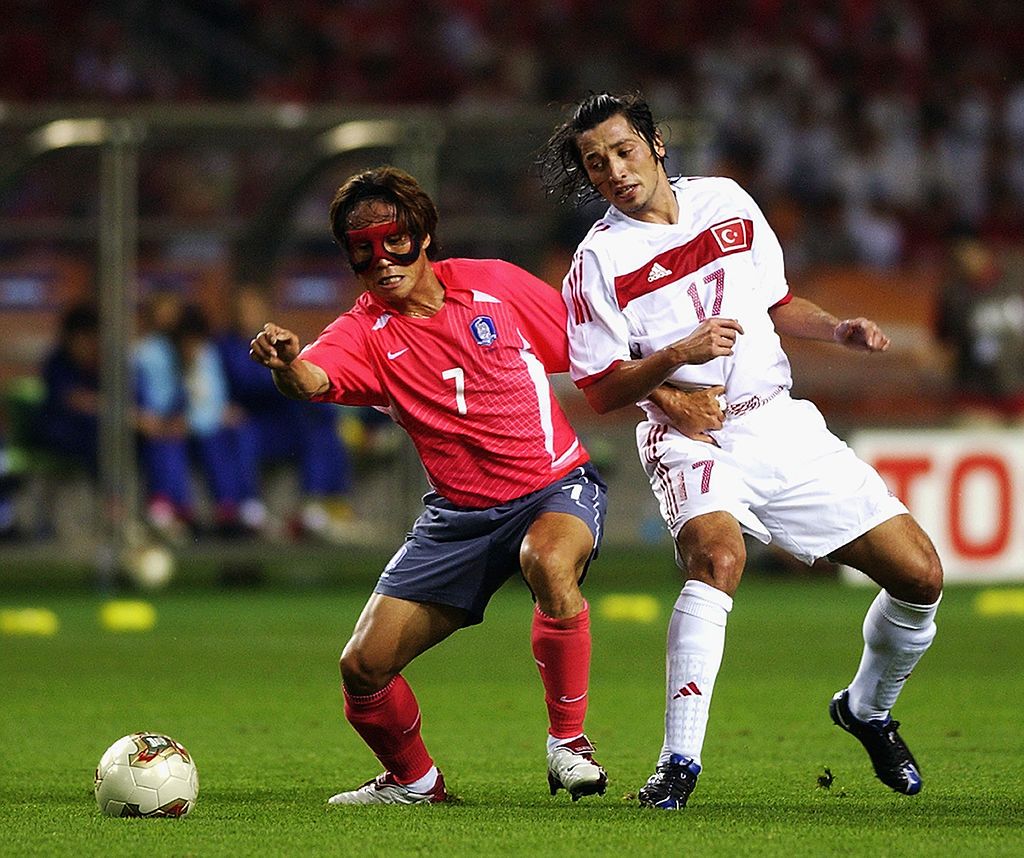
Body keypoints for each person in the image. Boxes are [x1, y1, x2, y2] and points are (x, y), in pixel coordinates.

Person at [540, 92, 944, 808]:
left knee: (920, 577)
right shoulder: (597, 260)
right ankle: (677, 764)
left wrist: (837, 329)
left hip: (780, 424)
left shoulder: (726, 201)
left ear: (657, 144)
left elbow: (777, 302)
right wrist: (675, 370)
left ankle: (866, 710)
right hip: (691, 436)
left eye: (623, 150)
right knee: (717, 559)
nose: (614, 171)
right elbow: (600, 386)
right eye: (595, 164)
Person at [249, 166, 609, 805]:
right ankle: (416, 784)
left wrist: (667, 387)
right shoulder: (363, 332)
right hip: (460, 518)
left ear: (423, 235)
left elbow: (593, 354)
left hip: (555, 489)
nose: (382, 260)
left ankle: (568, 743)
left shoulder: (498, 284)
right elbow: (311, 378)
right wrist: (285, 365)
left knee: (549, 560)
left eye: (395, 241)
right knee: (362, 669)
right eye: (362, 250)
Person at [216, 284, 357, 541]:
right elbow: (245, 384)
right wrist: (284, 376)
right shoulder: (225, 346)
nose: (246, 314)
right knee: (239, 434)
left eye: (251, 309)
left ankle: (318, 505)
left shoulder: (277, 343)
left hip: (282, 422)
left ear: (262, 311)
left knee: (321, 429)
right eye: (241, 310)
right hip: (251, 421)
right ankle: (248, 508)